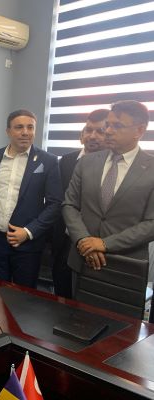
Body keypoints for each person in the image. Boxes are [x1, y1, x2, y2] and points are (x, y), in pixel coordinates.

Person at [62, 100, 154, 296]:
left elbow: (151, 223)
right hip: (82, 259)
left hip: (126, 266)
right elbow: (70, 205)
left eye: (117, 126)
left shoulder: (151, 169)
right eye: (108, 125)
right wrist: (84, 240)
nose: (109, 131)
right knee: (76, 314)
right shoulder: (86, 162)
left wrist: (104, 244)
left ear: (139, 130)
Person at [0, 109, 63, 288]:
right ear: (8, 131)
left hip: (28, 243)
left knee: (24, 297)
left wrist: (29, 231)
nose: (25, 132)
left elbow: (55, 204)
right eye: (19, 127)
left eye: (30, 127)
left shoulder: (48, 161)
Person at [51, 109, 109, 298]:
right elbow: (59, 200)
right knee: (62, 293)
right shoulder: (66, 161)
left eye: (100, 131)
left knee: (89, 299)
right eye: (89, 130)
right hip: (64, 241)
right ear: (82, 134)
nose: (93, 136)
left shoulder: (113, 165)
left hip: (96, 244)